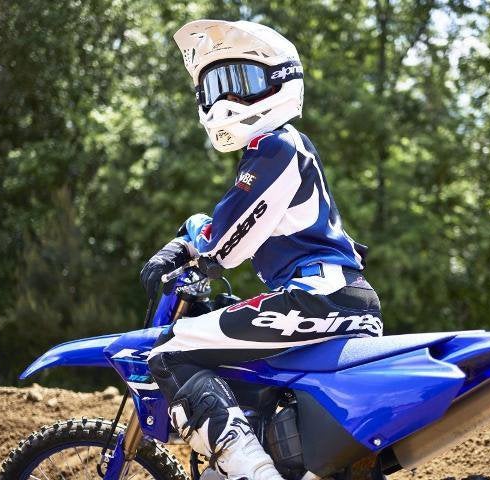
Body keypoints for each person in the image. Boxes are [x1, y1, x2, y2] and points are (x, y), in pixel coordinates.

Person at [142, 19, 383, 480]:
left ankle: (254, 472)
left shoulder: (275, 147)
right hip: (336, 296)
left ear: (279, 81)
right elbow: (237, 225)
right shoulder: (284, 149)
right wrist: (194, 238)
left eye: (242, 81)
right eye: (216, 87)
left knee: (169, 352)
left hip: (318, 296)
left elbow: (224, 244)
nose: (226, 100)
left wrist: (186, 247)